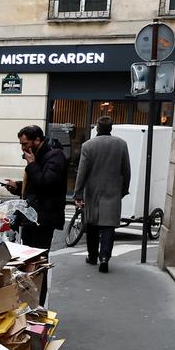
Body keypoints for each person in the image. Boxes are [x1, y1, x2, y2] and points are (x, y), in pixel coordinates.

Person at [73, 116, 131, 272]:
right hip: (113, 191)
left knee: (91, 225)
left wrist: (78, 193)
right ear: (111, 128)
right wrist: (124, 190)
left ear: (97, 128)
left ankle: (92, 256)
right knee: (108, 226)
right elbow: (126, 170)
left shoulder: (88, 146)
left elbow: (82, 172)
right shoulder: (121, 144)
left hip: (93, 192)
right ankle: (104, 258)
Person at [0, 124, 67, 252]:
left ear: (37, 140)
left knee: (38, 257)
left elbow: (46, 183)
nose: (23, 148)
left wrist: (32, 164)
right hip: (31, 215)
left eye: (25, 144)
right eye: (21, 144)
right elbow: (35, 184)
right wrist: (18, 186)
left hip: (43, 217)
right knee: (28, 254)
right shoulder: (39, 155)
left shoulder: (55, 156)